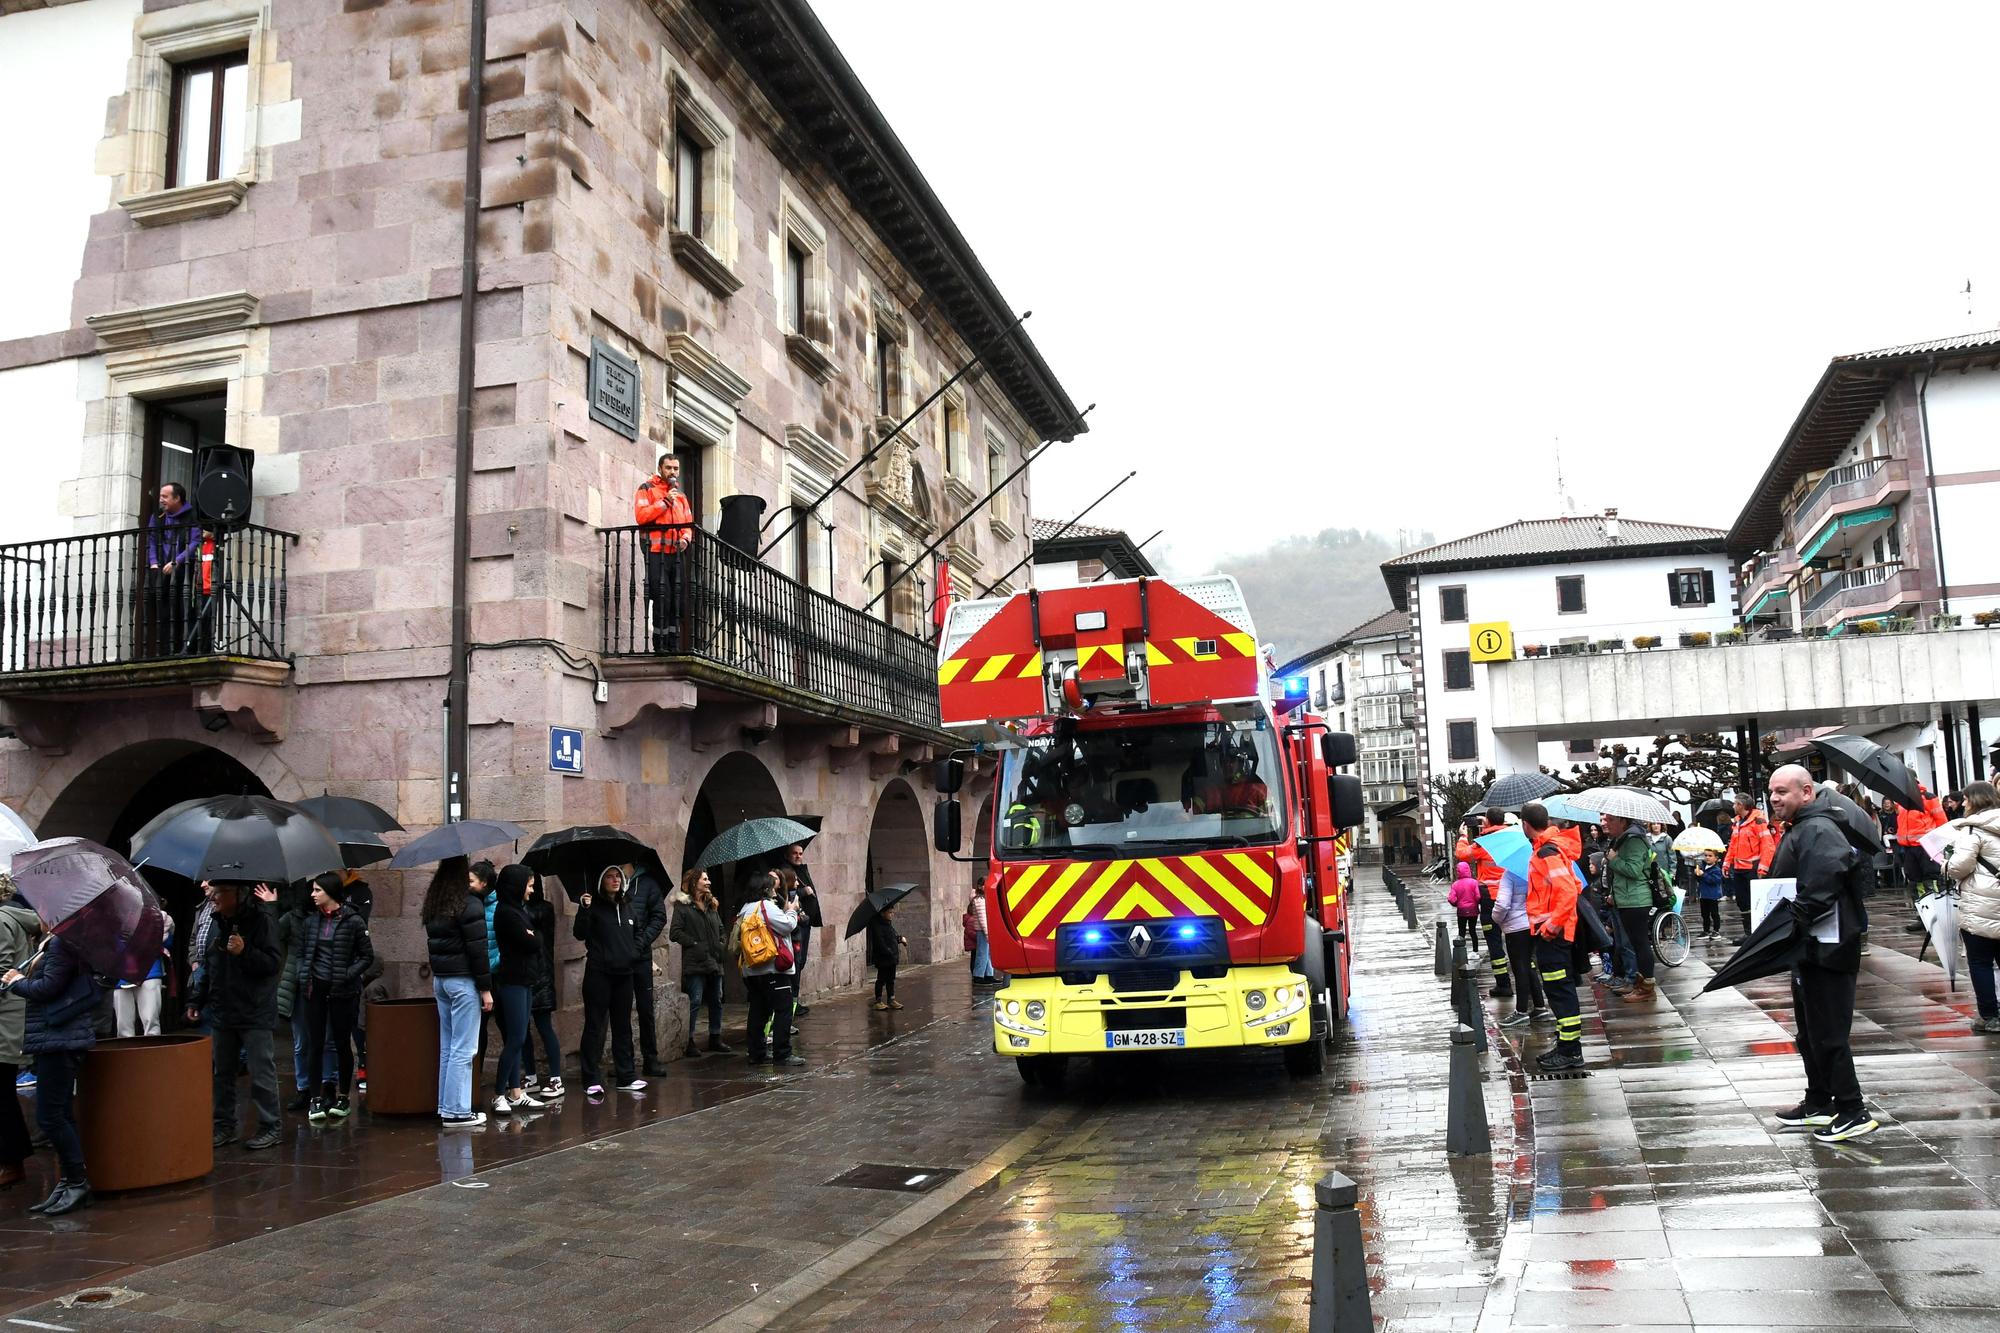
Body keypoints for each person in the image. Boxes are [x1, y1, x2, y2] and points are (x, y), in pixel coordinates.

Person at [1766, 764, 1876, 1141]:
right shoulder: (1804, 826)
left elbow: (1818, 889)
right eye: (1772, 791)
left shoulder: (1817, 828)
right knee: (1810, 1031)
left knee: (1828, 1032)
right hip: (1810, 946)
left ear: (1807, 792)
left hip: (1827, 947)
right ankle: (1819, 1101)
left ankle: (1852, 1109)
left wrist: (1784, 926)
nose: (1775, 798)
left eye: (1783, 791)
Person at [2, 932, 103, 1214]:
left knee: (50, 1116)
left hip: (60, 1040)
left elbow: (48, 989)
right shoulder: (55, 942)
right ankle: (69, 1182)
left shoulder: (62, 943)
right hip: (55, 1039)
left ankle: (78, 1181)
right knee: (60, 1114)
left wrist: (17, 982)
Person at [185, 881, 282, 1150]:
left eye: (219, 893)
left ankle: (270, 1125)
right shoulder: (218, 921)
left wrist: (245, 952)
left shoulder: (262, 920)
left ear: (237, 893)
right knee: (222, 1073)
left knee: (261, 1072)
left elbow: (272, 963)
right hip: (223, 1009)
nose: (213, 898)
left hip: (254, 1010)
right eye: (213, 893)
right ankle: (224, 1126)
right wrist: (197, 999)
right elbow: (211, 964)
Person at [296, 872, 373, 1123]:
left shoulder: (353, 920)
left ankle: (342, 1095)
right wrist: (303, 975)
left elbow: (366, 956)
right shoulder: (310, 922)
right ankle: (315, 1098)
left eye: (317, 890)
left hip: (342, 990)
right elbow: (301, 953)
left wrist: (347, 974)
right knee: (314, 1043)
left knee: (342, 1043)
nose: (313, 894)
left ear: (330, 892)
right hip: (314, 989)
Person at [422, 857, 492, 1128]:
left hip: (442, 980)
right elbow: (478, 950)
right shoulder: (469, 903)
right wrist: (486, 989)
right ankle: (456, 1111)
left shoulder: (436, 903)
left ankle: (447, 1106)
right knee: (464, 1049)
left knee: (449, 1048)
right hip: (463, 983)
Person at [1520, 802, 1586, 1071]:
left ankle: (1570, 1051)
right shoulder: (1550, 849)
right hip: (1551, 933)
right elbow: (1576, 885)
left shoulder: (1546, 852)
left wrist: (1552, 925)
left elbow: (1568, 891)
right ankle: (1565, 1045)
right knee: (1557, 991)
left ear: (1526, 824)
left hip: (1552, 936)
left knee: (1560, 992)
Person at [575, 865, 647, 1097]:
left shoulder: (627, 906)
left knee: (623, 1026)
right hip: (599, 973)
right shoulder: (593, 906)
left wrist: (633, 952)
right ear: (600, 881)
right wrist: (584, 910)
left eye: (618, 876)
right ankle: (591, 1078)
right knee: (595, 1026)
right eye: (609, 876)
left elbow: (639, 933)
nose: (615, 880)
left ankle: (626, 1075)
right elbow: (580, 933)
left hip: (624, 974)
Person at [490, 865, 547, 1115]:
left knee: (520, 1036)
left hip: (523, 980)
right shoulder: (506, 913)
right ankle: (499, 1093)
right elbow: (531, 941)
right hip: (511, 981)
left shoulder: (517, 910)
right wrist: (533, 936)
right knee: (514, 1039)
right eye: (529, 885)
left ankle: (515, 1091)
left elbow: (536, 938)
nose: (532, 890)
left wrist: (533, 936)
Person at [1944, 781, 2000, 1033]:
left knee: (1980, 962)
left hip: (1981, 905)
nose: (1963, 803)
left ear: (1974, 800)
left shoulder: (1971, 830)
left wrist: (1945, 864)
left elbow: (1960, 867)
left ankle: (1989, 1016)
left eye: (1965, 799)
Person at [0, 874, 44, 1192]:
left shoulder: (1, 920)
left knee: (2, 1094)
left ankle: (12, 1161)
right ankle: (13, 1156)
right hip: (9, 1018)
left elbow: (3, 971)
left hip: (6, 1022)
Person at [736, 870, 801, 1067]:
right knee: (783, 1009)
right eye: (772, 886)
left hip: (751, 969)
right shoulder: (765, 906)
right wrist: (792, 910)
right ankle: (783, 1053)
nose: (775, 889)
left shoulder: (745, 909)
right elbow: (787, 925)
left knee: (758, 1010)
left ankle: (756, 1052)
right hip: (771, 967)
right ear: (765, 889)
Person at [635, 451, 694, 652]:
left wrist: (685, 539)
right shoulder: (646, 488)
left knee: (676, 600)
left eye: (676, 468)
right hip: (655, 551)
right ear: (660, 468)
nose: (672, 472)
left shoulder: (682, 497)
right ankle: (659, 645)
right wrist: (665, 502)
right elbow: (641, 516)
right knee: (661, 596)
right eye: (668, 468)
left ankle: (673, 643)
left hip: (676, 553)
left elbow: (688, 524)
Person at [671, 869, 729, 1056]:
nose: (708, 882)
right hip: (695, 961)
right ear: (694, 882)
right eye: (705, 879)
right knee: (695, 1000)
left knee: (716, 1000)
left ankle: (715, 1036)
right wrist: (695, 944)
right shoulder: (683, 906)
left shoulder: (711, 905)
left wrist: (721, 943)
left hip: (714, 959)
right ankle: (689, 1041)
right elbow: (675, 932)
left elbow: (721, 928)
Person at [1601, 814, 1657, 1002]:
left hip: (1636, 900)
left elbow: (1633, 870)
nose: (1605, 824)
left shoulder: (1634, 841)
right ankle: (1639, 985)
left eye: (1610, 820)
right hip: (1626, 899)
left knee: (1640, 944)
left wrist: (1614, 859)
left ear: (1623, 822)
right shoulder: (1623, 840)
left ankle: (1647, 988)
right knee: (1635, 943)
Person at [143, 481, 202, 657]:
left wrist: (178, 561)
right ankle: (163, 651)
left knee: (182, 610)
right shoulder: (158, 516)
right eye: (161, 496)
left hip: (183, 571)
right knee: (163, 610)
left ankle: (182, 649)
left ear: (177, 498)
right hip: (160, 570)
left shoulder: (191, 515)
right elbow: (152, 540)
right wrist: (153, 562)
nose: (161, 500)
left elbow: (195, 541)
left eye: (165, 496)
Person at [520, 870, 564, 1098]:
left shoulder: (542, 909)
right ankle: (531, 1076)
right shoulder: (519, 908)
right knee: (523, 1031)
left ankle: (556, 1077)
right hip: (527, 974)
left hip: (541, 974)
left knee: (544, 1027)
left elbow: (535, 937)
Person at [624, 862, 670, 1078]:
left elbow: (659, 916)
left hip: (641, 955)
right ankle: (624, 1061)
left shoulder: (648, 884)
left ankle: (650, 1059)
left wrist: (642, 941)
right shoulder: (611, 884)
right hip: (619, 956)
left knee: (645, 1009)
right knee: (620, 1010)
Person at [1490, 867, 1547, 1028]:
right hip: (1533, 923)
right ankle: (1539, 1006)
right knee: (1529, 965)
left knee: (1519, 968)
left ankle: (1521, 1011)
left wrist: (1496, 919)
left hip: (1516, 928)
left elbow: (1502, 904)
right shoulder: (1535, 870)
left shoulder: (1510, 874)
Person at [467, 860, 501, 1103]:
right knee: (477, 1031)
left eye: (471, 881)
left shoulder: (498, 906)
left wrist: (494, 964)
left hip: (494, 975)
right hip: (475, 976)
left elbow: (499, 941)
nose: (467, 886)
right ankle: (474, 1078)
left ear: (485, 883)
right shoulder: (469, 905)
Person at [1895, 784, 1948, 932]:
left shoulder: (1929, 798)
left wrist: (1937, 844)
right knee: (1914, 882)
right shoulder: (1901, 800)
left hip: (1927, 846)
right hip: (1909, 847)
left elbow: (1941, 821)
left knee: (1932, 880)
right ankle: (1923, 916)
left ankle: (1939, 915)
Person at [112, 910, 170, 1038]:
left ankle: (151, 1057)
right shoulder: (112, 918)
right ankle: (126, 1057)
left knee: (151, 1022)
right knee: (123, 1027)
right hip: (121, 975)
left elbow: (166, 942)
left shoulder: (157, 917)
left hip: (149, 972)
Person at [1724, 794, 1776, 938]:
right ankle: (1749, 934)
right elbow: (1733, 845)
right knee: (1742, 902)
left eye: (1735, 804)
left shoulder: (1758, 821)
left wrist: (1763, 867)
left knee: (1756, 903)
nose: (1733, 806)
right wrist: (1727, 863)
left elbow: (1768, 845)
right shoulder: (1737, 823)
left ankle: (1757, 933)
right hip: (1739, 869)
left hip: (1752, 869)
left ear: (1741, 805)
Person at [782, 843, 823, 1013]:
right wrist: (802, 892)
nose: (799, 856)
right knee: (796, 962)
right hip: (795, 925)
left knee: (801, 962)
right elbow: (785, 896)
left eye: (800, 853)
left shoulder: (801, 870)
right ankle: (791, 1002)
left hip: (805, 923)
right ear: (787, 855)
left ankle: (794, 1000)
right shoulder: (786, 872)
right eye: (795, 853)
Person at [868, 902, 906, 1011]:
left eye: (892, 912)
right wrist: (889, 952)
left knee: (891, 979)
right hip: (883, 958)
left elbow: (892, 937)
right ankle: (878, 1000)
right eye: (889, 912)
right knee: (881, 979)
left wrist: (900, 939)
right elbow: (880, 943)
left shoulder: (888, 924)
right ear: (882, 913)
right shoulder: (877, 926)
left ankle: (891, 999)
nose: (891, 915)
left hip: (892, 958)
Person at [1447, 861, 1482, 951]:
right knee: (1472, 931)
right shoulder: (1474, 883)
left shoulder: (1455, 884)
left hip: (1461, 911)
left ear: (1458, 871)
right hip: (1473, 910)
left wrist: (1457, 904)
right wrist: (1476, 903)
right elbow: (1478, 896)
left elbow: (1451, 899)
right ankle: (1475, 950)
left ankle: (1461, 951)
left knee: (1461, 931)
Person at [1695, 850, 1726, 939]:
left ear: (1716, 858)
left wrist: (1703, 874)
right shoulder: (1703, 867)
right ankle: (1706, 930)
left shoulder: (1716, 869)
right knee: (1704, 914)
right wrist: (1697, 874)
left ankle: (1716, 930)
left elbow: (1714, 881)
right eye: (1706, 855)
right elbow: (1700, 880)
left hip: (1712, 895)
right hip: (1703, 894)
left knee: (1714, 913)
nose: (1707, 857)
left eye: (1710, 855)